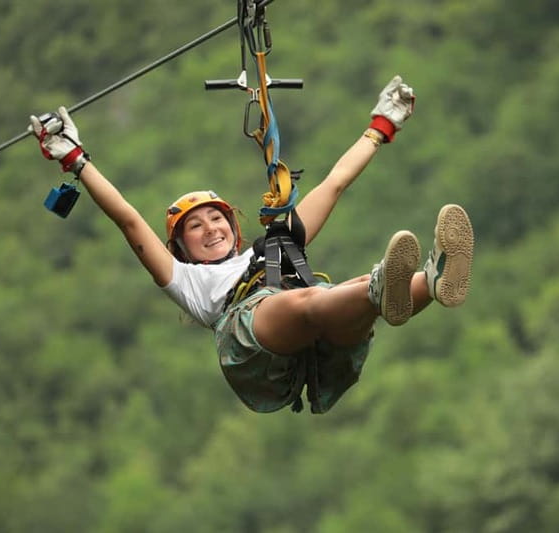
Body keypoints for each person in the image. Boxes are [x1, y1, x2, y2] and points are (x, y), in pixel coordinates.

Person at [30, 75, 474, 414]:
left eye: (216, 219)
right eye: (195, 228)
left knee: (350, 296)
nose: (210, 229)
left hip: (316, 347)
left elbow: (335, 184)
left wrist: (381, 126)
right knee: (312, 300)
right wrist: (75, 158)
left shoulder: (274, 251)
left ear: (232, 226)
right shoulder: (186, 280)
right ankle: (384, 285)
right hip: (254, 348)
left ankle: (432, 281)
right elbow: (127, 219)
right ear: (180, 248)